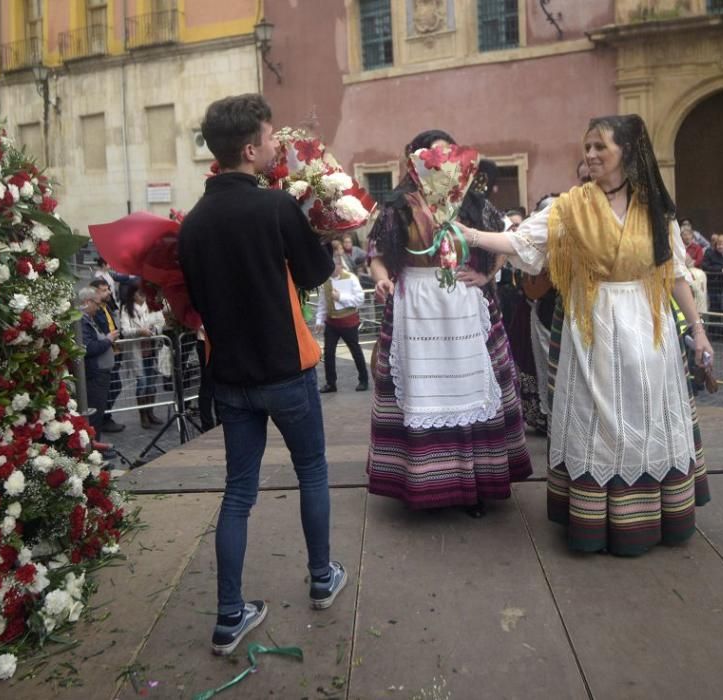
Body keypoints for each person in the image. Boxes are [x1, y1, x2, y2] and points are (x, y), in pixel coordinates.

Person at [459, 114, 713, 556]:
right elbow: (521, 242)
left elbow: (673, 273)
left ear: (628, 153)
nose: (591, 155)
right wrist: (468, 233)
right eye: (588, 147)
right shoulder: (569, 206)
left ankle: (654, 517)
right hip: (592, 327)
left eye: (602, 148)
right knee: (598, 422)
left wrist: (698, 329)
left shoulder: (654, 208)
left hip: (649, 328)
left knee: (648, 415)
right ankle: (597, 523)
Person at [179, 94, 346, 655]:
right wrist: (318, 229)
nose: (277, 145)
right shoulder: (274, 207)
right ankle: (322, 578)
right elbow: (318, 274)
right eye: (272, 138)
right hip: (285, 370)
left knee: (237, 494)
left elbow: (197, 300)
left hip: (229, 377)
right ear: (250, 150)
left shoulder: (193, 223)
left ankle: (229, 615)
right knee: (313, 471)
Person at [366, 129, 533, 518]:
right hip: (414, 308)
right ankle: (423, 484)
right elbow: (377, 252)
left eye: (444, 154)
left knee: (471, 391)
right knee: (418, 395)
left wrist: (489, 275)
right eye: (429, 155)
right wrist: (381, 278)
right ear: (415, 160)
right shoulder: (397, 206)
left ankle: (474, 486)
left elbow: (507, 239)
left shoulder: (471, 201)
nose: (437, 162)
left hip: (463, 307)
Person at [316, 256, 369, 393]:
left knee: (355, 351)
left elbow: (359, 299)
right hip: (332, 322)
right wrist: (319, 320)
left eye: (335, 266)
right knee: (328, 353)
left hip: (348, 321)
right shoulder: (325, 280)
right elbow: (323, 303)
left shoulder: (350, 278)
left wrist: (341, 298)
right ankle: (330, 383)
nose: (332, 270)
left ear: (340, 266)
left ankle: (363, 380)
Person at [118, 285, 166, 429]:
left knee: (151, 384)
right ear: (133, 295)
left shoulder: (150, 306)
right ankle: (143, 415)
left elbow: (161, 321)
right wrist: (140, 331)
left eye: (143, 292)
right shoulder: (126, 309)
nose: (143, 295)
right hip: (137, 351)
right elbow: (125, 331)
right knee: (142, 383)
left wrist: (155, 329)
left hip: (151, 350)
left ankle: (150, 412)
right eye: (139, 293)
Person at [79, 287, 120, 437]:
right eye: (96, 303)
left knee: (98, 412)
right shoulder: (82, 321)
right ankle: (94, 448)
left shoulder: (89, 319)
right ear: (87, 302)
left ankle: (96, 445)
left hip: (100, 373)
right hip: (95, 375)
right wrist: (108, 340)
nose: (98, 307)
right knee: (95, 415)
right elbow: (89, 348)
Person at [89, 279, 126, 433]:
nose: (109, 292)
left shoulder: (107, 307)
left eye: (108, 289)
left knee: (114, 386)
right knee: (113, 387)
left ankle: (106, 417)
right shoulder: (94, 311)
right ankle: (104, 418)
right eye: (104, 290)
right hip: (105, 353)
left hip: (114, 352)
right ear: (95, 292)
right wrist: (108, 339)